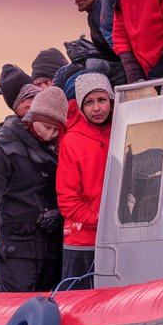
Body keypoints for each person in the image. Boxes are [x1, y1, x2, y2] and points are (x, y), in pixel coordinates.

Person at [0, 87, 67, 292]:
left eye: (56, 130)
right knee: (15, 308)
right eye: (45, 126)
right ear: (32, 118)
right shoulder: (6, 144)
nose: (50, 134)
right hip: (16, 249)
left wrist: (59, 213)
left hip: (51, 246)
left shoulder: (60, 147)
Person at [57, 73, 114, 287]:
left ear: (111, 100)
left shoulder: (121, 131)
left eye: (101, 100)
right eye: (89, 102)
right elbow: (67, 199)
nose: (97, 108)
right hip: (82, 242)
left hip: (117, 238)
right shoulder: (72, 140)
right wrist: (100, 220)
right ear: (81, 107)